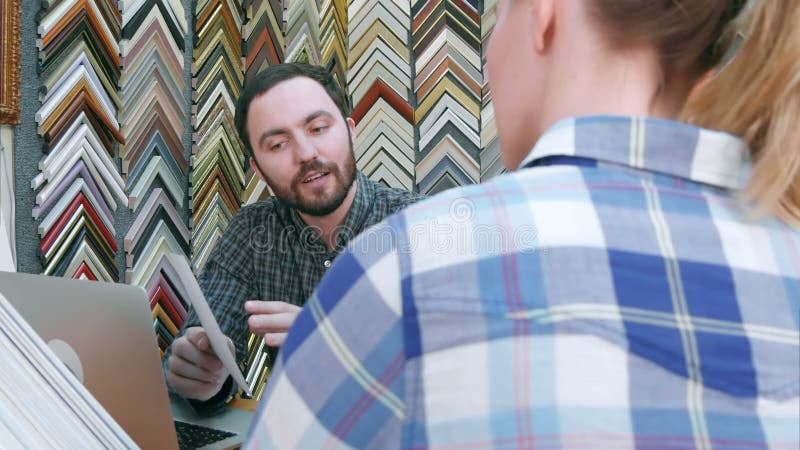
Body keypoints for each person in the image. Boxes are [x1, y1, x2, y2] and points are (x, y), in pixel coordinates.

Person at [245, 0, 800, 448]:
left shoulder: (409, 254)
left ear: (542, 13)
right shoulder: (786, 249)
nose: (305, 153)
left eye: (494, 17)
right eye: (276, 141)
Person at [163, 62, 424, 413]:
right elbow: (203, 341)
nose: (306, 154)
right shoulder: (253, 231)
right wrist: (202, 373)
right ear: (257, 168)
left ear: (350, 131)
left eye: (318, 128)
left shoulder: (424, 223)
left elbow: (467, 365)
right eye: (278, 144)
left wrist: (342, 339)